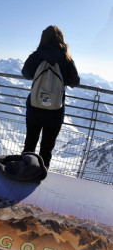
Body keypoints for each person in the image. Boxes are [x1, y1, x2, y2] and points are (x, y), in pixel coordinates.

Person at [22, 25, 80, 168]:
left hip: (35, 107)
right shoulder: (66, 59)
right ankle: (41, 172)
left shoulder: (35, 56)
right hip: (55, 110)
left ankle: (23, 170)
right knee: (47, 147)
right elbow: (75, 81)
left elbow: (26, 73)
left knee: (30, 143)